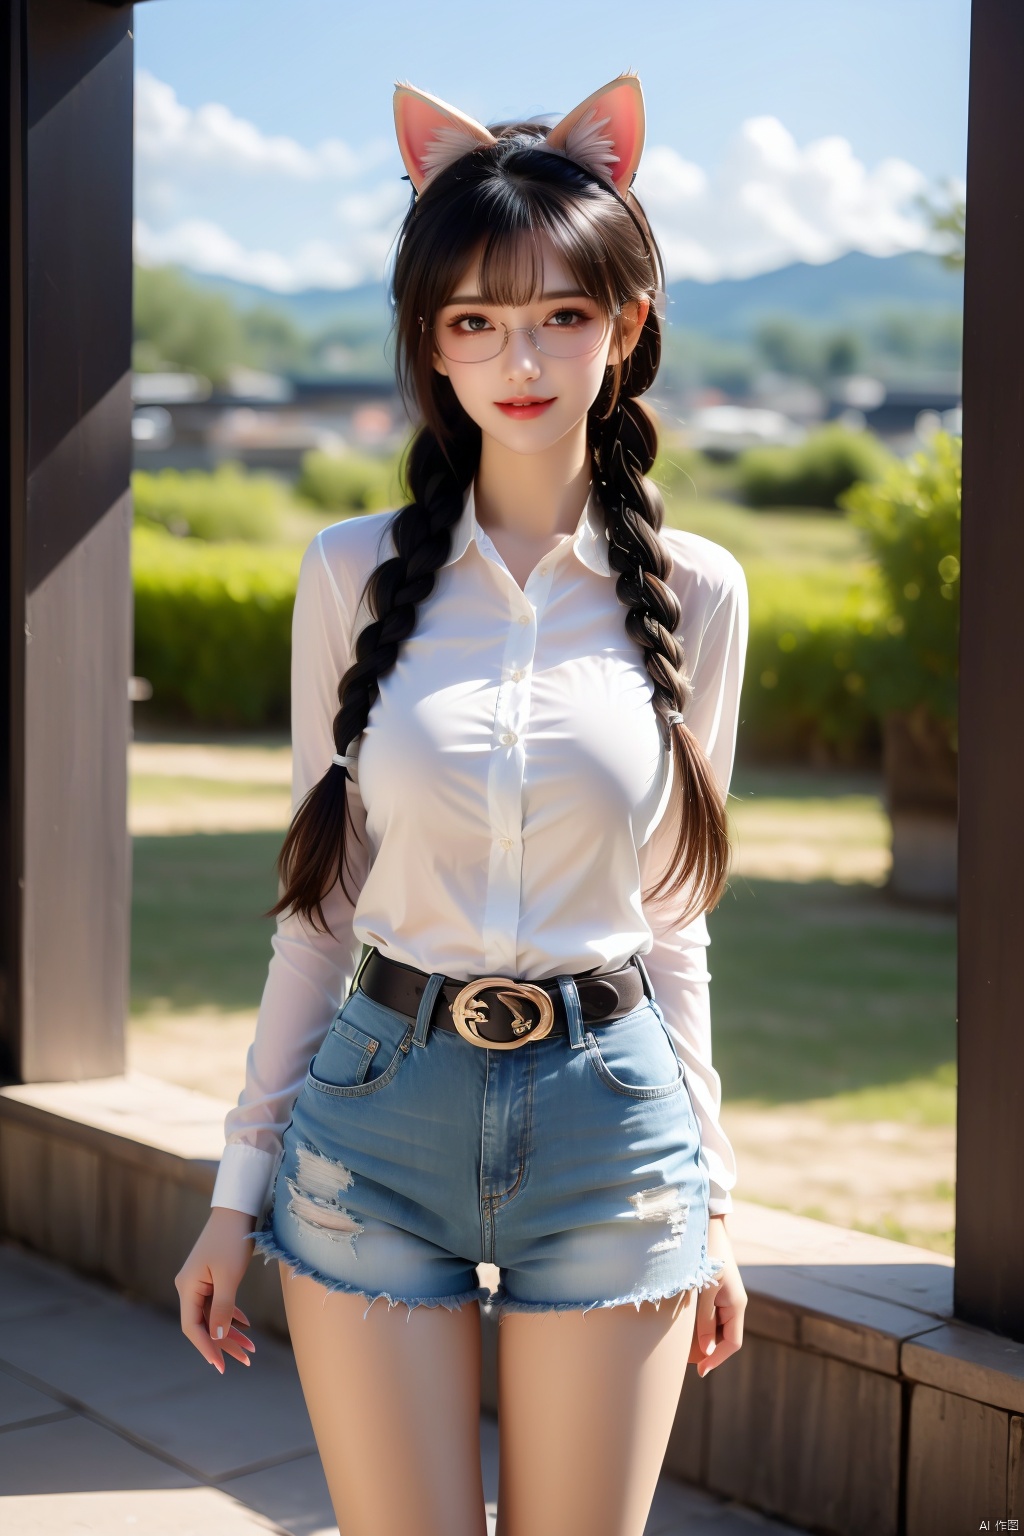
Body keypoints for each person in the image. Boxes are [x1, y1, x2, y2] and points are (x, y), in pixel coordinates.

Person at [176, 73, 749, 1536]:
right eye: (475, 321)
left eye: (563, 313)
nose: (522, 357)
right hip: (377, 1120)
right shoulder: (347, 572)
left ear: (626, 328)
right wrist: (236, 1191)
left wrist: (715, 1197)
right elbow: (322, 907)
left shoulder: (699, 594)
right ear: (430, 346)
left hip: (612, 1138)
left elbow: (676, 926)